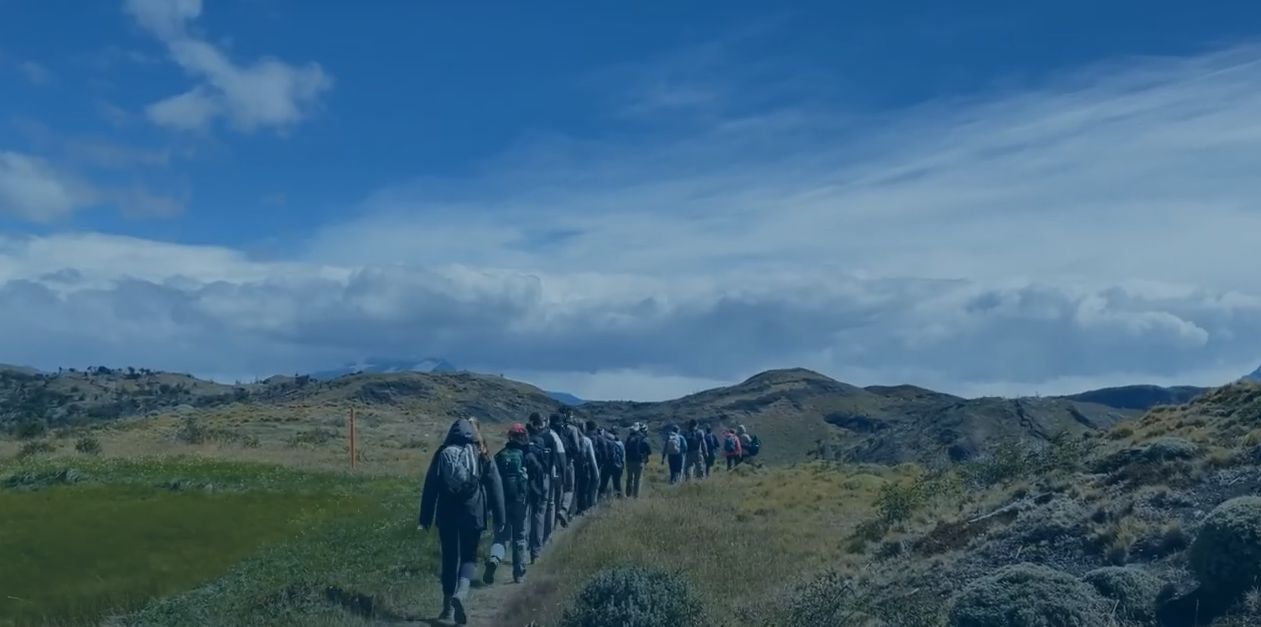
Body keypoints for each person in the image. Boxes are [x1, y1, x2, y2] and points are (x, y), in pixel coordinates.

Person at [419, 418, 505, 625]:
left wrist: (425, 518)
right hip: (473, 513)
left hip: (447, 514)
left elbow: (430, 486)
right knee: (469, 557)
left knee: (450, 557)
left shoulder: (442, 454)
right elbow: (495, 485)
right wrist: (500, 517)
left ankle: (447, 607)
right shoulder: (481, 453)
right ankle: (462, 593)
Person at [484, 423, 541, 585]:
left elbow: (490, 480)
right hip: (520, 502)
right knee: (520, 537)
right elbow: (537, 474)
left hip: (501, 502)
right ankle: (519, 573)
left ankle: (494, 559)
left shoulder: (500, 455)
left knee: (501, 536)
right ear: (523, 437)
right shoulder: (527, 456)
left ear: (510, 437)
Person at [525, 414, 554, 561]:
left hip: (526, 482)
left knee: (526, 515)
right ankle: (536, 551)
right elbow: (551, 462)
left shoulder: (524, 441)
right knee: (539, 515)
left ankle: (521, 549)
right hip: (543, 481)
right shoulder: (547, 439)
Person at [542, 413, 568, 536]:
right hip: (555, 474)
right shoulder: (553, 437)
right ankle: (549, 533)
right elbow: (559, 458)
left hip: (550, 474)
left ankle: (547, 531)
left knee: (550, 503)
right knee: (552, 503)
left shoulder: (548, 435)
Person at [577, 421, 601, 514]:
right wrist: (596, 473)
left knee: (576, 489)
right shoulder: (586, 440)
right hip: (585, 468)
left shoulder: (574, 439)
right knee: (584, 489)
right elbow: (592, 458)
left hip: (574, 467)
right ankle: (583, 509)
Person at [624, 423, 651, 498]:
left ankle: (628, 494)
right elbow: (648, 450)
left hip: (629, 461)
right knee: (637, 479)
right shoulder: (642, 437)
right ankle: (636, 496)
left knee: (629, 478)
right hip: (639, 461)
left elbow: (625, 448)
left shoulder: (629, 437)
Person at [608, 430, 626, 496]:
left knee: (609, 482)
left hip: (610, 464)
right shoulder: (621, 444)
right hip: (619, 465)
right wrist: (623, 465)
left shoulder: (609, 443)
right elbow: (623, 455)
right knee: (617, 482)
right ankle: (619, 495)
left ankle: (610, 495)